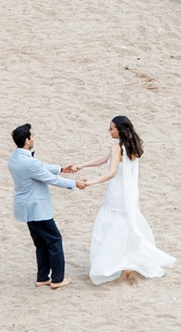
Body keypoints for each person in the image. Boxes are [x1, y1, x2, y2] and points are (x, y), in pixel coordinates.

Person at [74, 114, 175, 286]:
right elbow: (104, 159)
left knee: (110, 226)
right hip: (130, 194)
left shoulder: (117, 147)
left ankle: (113, 262)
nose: (109, 130)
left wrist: (90, 182)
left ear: (120, 130)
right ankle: (128, 261)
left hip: (116, 195)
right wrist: (81, 165)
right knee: (127, 225)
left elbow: (111, 172)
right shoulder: (132, 145)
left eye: (112, 128)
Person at [7, 123, 79, 289]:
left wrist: (60, 168)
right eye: (31, 136)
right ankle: (58, 279)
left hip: (26, 207)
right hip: (37, 208)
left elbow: (39, 167)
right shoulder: (28, 163)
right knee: (54, 240)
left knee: (41, 243)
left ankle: (43, 277)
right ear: (26, 140)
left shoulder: (15, 157)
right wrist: (74, 183)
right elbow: (49, 178)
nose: (33, 138)